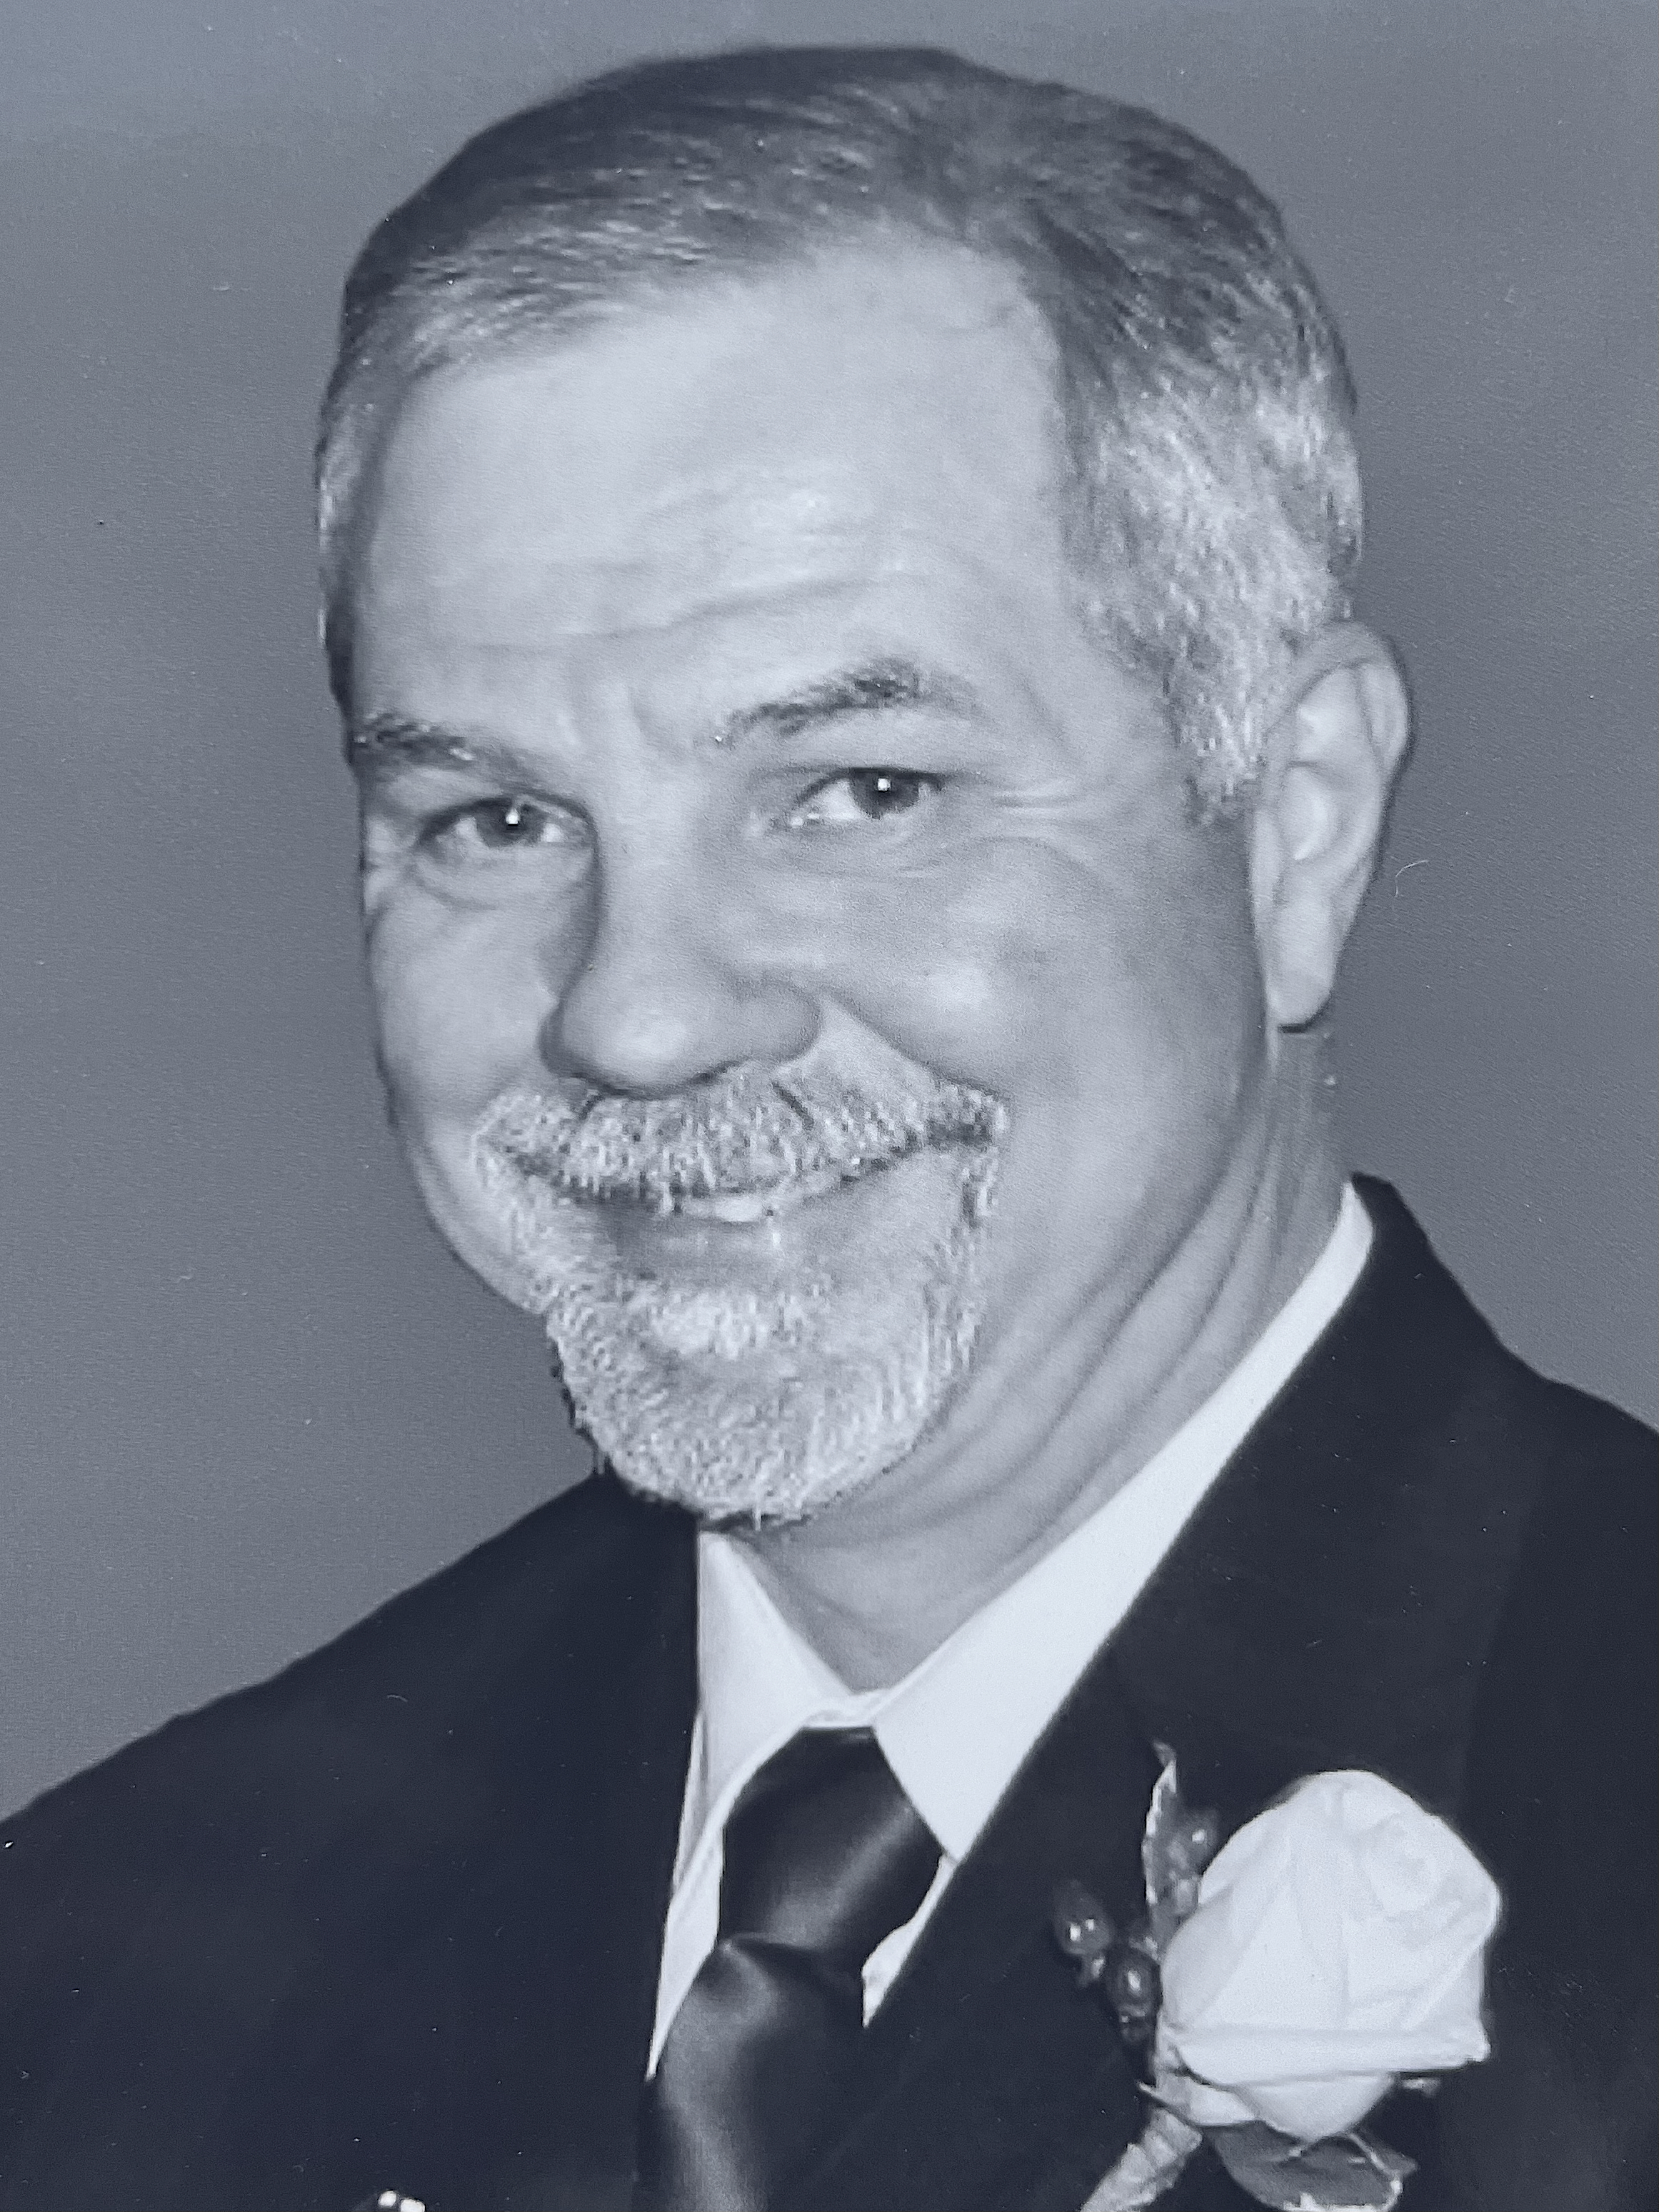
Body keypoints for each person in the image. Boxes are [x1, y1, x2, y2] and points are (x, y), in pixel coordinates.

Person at [0, 44, 1651, 2212]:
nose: (636, 1012)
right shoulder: (103, 1973)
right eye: (494, 816)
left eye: (859, 790)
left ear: (1296, 822)